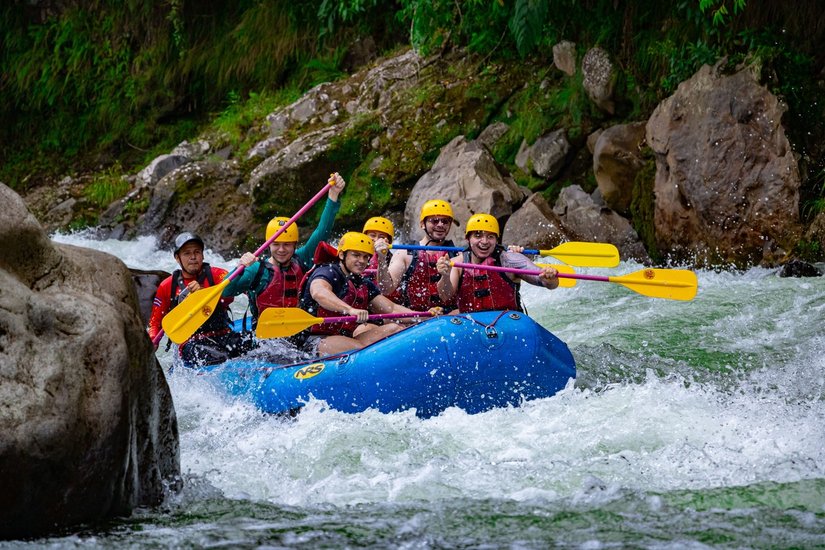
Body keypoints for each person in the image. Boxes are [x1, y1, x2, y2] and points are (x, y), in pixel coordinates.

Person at [222, 173, 346, 326]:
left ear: (295, 244)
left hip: (298, 330)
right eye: (276, 244)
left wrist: (333, 195)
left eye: (287, 244)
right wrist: (239, 268)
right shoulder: (256, 269)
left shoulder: (302, 258)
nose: (281, 249)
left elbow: (323, 231)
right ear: (268, 244)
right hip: (265, 334)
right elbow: (225, 292)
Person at [299, 231, 440, 355]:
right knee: (362, 349)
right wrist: (350, 310)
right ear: (342, 254)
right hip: (314, 340)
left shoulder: (363, 283)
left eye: (365, 257)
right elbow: (319, 292)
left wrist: (425, 316)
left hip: (345, 337)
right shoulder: (328, 271)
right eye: (356, 255)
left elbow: (391, 309)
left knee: (395, 329)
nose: (361, 261)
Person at [148, 232, 254, 366]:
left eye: (197, 252)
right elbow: (155, 323)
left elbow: (242, 289)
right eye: (187, 253)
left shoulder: (217, 275)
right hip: (191, 343)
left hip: (223, 334)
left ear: (203, 255)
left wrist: (249, 269)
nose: (193, 257)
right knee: (221, 357)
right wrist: (152, 341)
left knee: (256, 346)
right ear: (177, 258)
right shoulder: (167, 286)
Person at [435, 214, 559, 313]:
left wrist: (548, 278)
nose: (484, 241)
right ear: (468, 239)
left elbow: (548, 283)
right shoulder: (457, 264)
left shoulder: (510, 260)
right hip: (470, 323)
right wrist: (445, 276)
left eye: (490, 237)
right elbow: (445, 296)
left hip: (507, 322)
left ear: (496, 240)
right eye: (478, 236)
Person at [385, 199, 459, 311]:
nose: (440, 225)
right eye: (434, 221)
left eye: (445, 221)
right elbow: (387, 289)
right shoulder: (405, 254)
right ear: (422, 224)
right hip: (416, 317)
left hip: (450, 316)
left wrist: (445, 276)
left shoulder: (458, 255)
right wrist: (381, 259)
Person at [361, 216, 403, 303]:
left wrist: (381, 256)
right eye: (372, 235)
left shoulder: (394, 260)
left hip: (383, 302)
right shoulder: (356, 256)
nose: (376, 240)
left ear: (388, 241)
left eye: (381, 237)